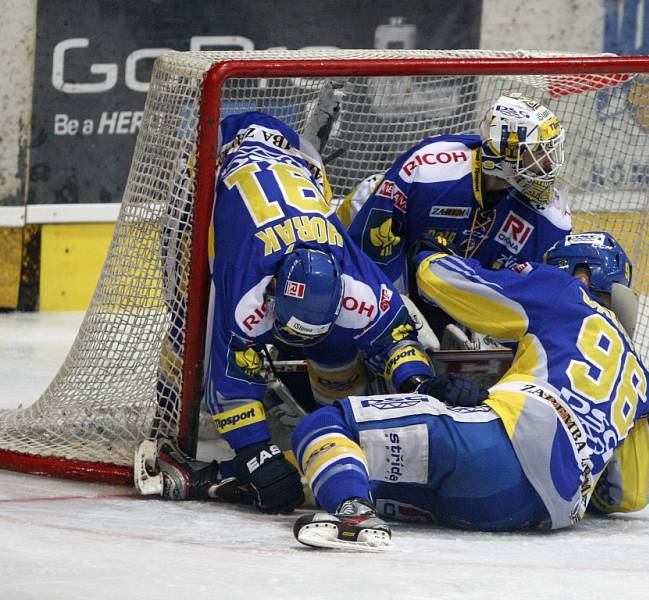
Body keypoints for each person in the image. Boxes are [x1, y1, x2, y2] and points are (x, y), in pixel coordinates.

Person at [155, 111, 465, 515]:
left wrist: (420, 383)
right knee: (191, 319)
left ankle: (330, 422)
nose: (293, 343)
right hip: (214, 169)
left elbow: (393, 337)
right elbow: (228, 388)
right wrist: (256, 454)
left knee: (337, 343)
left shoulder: (353, 277)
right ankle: (169, 415)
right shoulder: (247, 283)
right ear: (272, 294)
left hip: (297, 159)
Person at [290, 232, 649, 550]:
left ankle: (351, 511)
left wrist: (428, 255)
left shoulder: (563, 291)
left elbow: (449, 283)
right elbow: (631, 493)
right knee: (373, 472)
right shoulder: (643, 381)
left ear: (580, 274)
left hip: (501, 446)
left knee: (324, 426)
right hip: (541, 512)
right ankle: (343, 494)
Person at [336, 93, 572, 312]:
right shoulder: (428, 172)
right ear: (505, 152)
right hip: (395, 269)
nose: (550, 163)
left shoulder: (549, 216)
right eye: (540, 151)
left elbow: (544, 293)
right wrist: (393, 310)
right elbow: (373, 244)